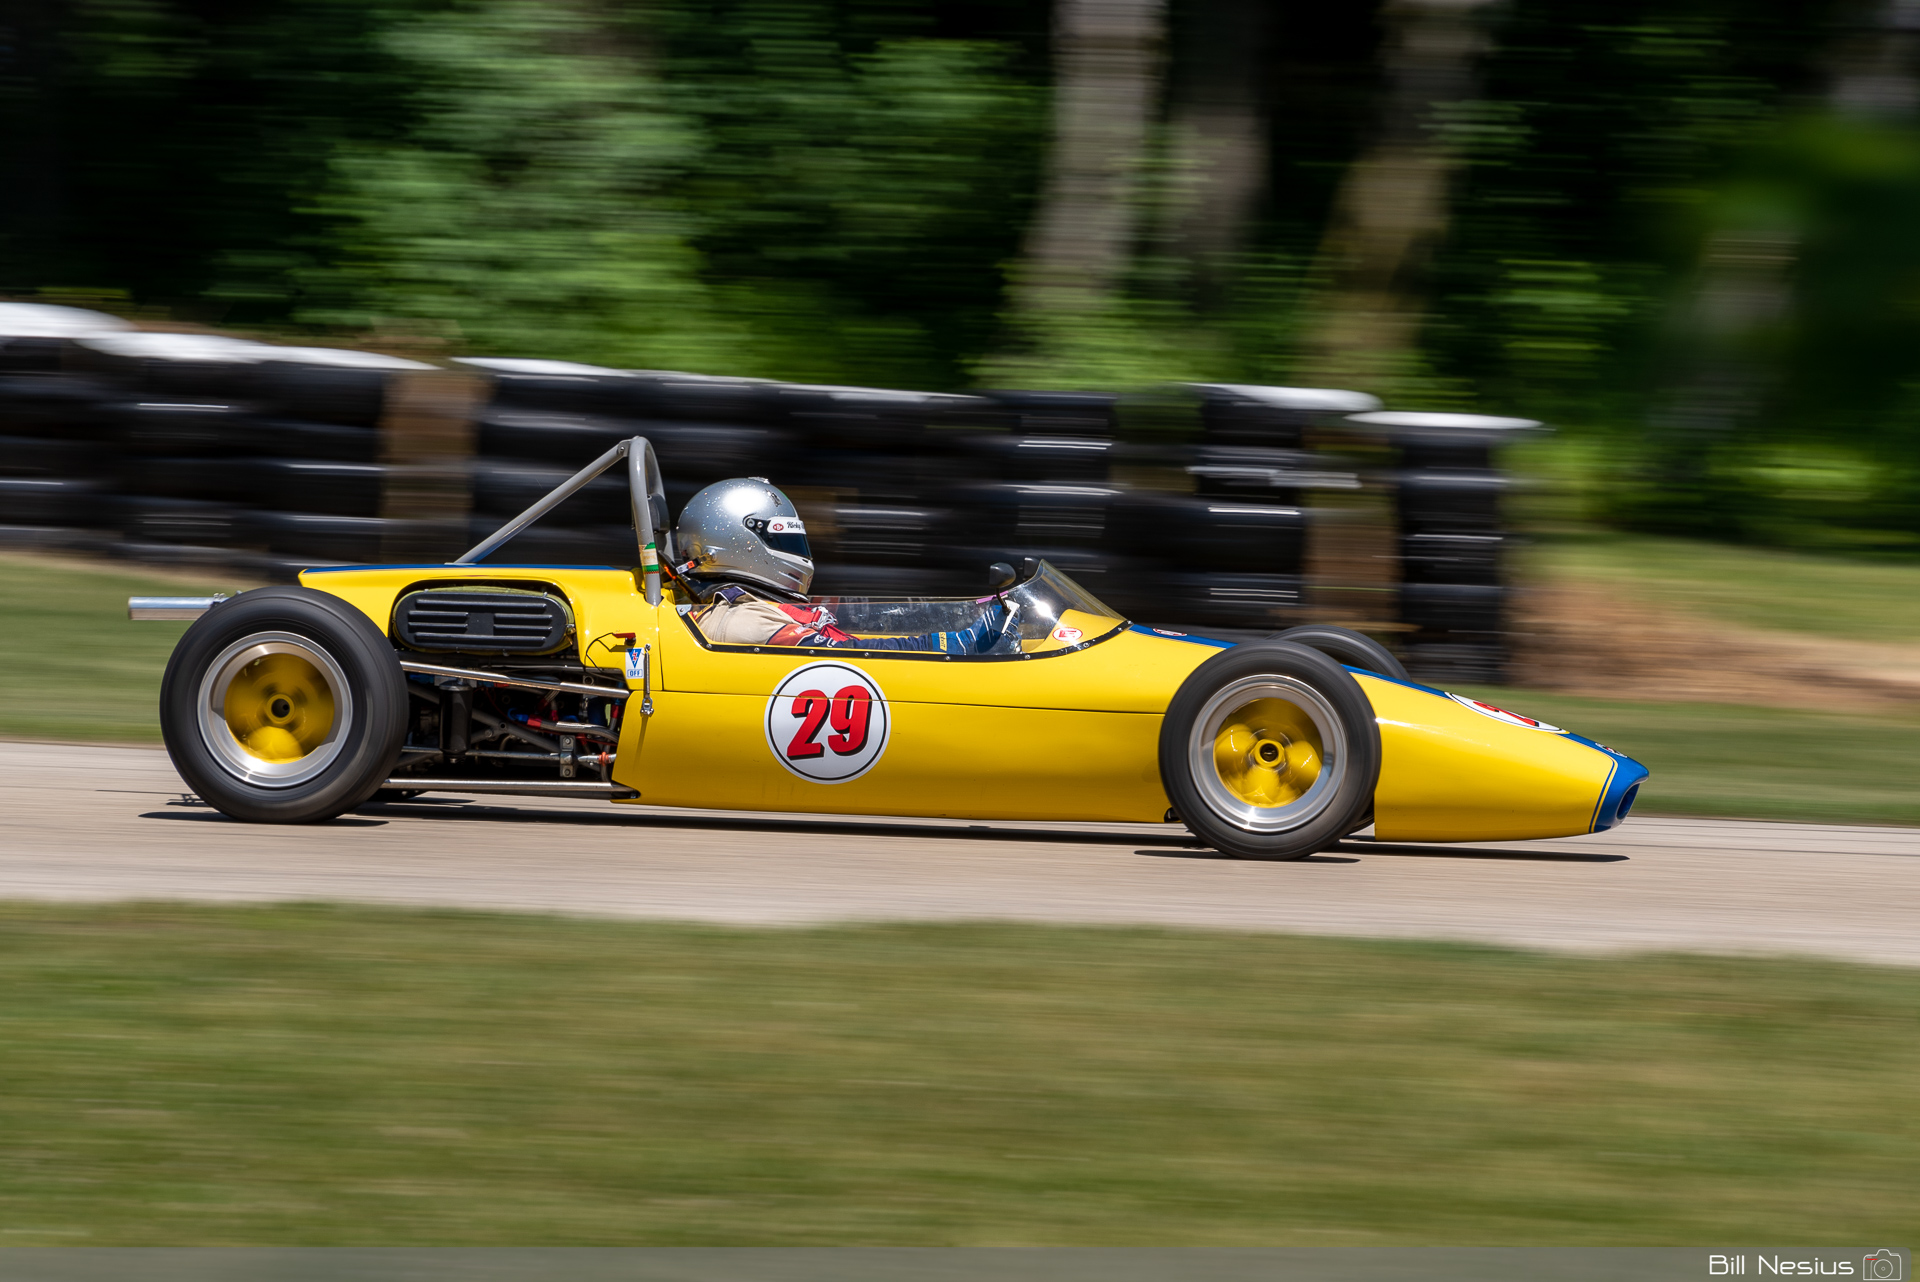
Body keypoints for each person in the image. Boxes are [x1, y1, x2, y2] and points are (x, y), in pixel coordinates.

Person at [673, 477, 1006, 652]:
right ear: (739, 544)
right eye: (785, 540)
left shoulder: (756, 608)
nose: (798, 553)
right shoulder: (742, 620)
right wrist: (951, 644)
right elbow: (854, 657)